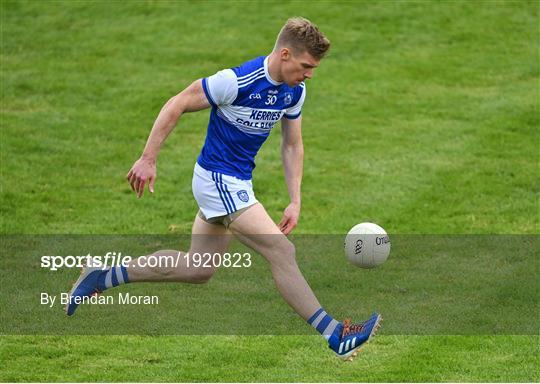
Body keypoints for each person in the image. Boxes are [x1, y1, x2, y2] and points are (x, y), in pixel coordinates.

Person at [66, 17, 381, 360]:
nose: (309, 74)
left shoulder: (295, 91)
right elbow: (178, 102)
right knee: (282, 252)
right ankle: (335, 335)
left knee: (197, 268)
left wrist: (295, 199)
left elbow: (292, 145)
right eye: (306, 66)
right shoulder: (236, 81)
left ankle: (102, 276)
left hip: (236, 181)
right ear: (286, 54)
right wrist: (148, 158)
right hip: (217, 179)